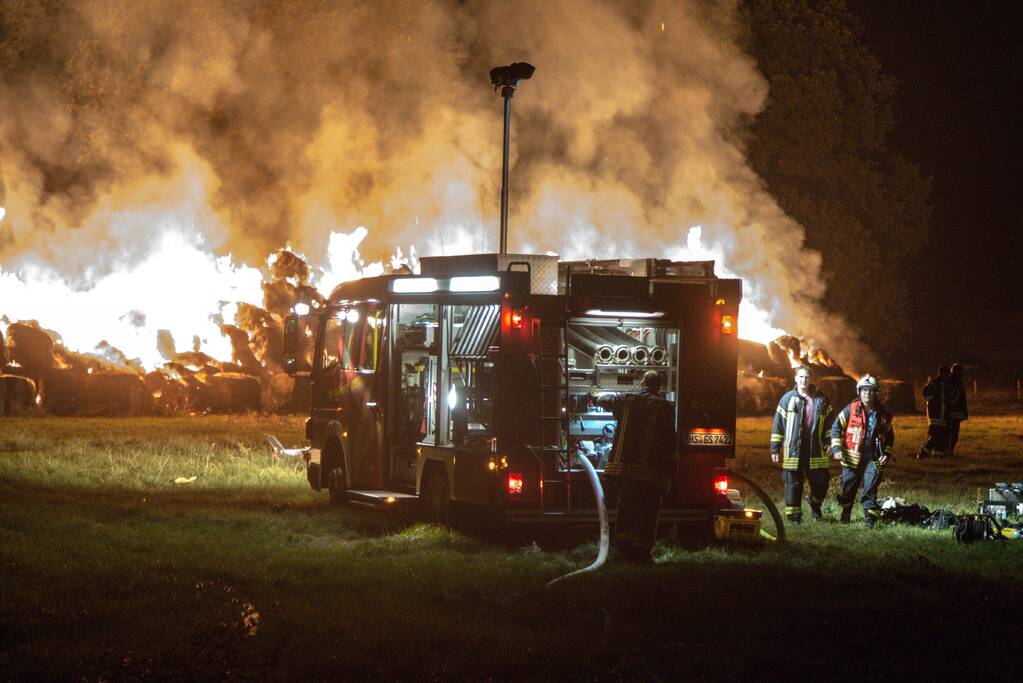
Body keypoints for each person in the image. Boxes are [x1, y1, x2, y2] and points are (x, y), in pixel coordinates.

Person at [598, 370, 676, 563]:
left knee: (626, 506)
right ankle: (642, 551)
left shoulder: (628, 400)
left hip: (625, 469)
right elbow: (669, 439)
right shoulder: (665, 407)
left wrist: (599, 394)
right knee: (649, 510)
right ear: (659, 387)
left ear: (642, 383)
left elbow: (602, 400)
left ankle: (623, 548)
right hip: (652, 472)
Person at [770, 365, 834, 523]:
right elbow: (778, 425)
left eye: (806, 377)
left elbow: (830, 423)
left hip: (815, 448)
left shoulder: (822, 399)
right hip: (793, 449)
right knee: (793, 484)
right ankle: (794, 518)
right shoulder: (787, 399)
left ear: (810, 379)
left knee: (822, 481)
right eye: (801, 377)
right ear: (795, 378)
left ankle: (814, 502)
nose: (803, 380)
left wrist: (829, 442)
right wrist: (775, 449)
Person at [831, 375, 895, 528]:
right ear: (859, 392)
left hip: (873, 459)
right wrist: (837, 448)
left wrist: (885, 454)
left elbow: (890, 437)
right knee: (848, 488)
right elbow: (836, 428)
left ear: (875, 393)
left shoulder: (882, 415)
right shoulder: (850, 410)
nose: (867, 393)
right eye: (864, 390)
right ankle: (846, 512)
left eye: (871, 390)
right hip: (851, 458)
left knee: (870, 488)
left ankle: (870, 520)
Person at [917, 366, 950, 459]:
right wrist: (934, 401)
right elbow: (925, 393)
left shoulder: (944, 384)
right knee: (935, 436)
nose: (948, 376)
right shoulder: (934, 383)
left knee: (940, 437)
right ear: (942, 374)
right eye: (947, 374)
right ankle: (922, 453)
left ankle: (938, 456)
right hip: (935, 415)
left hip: (942, 415)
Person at [946, 363, 968, 457]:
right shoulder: (953, 383)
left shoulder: (957, 382)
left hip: (954, 412)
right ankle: (948, 451)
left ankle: (949, 450)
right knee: (952, 433)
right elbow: (957, 398)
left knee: (953, 433)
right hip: (953, 412)